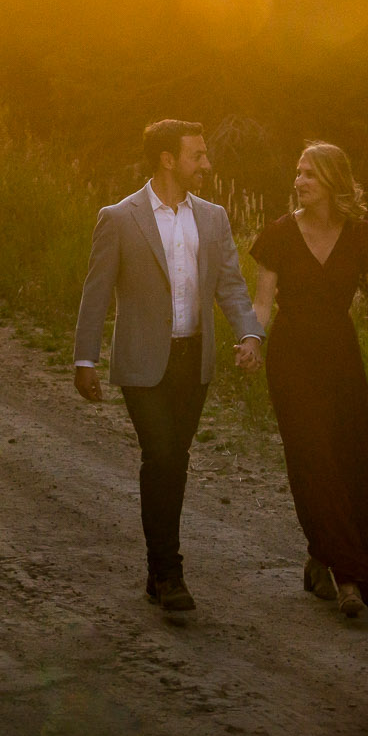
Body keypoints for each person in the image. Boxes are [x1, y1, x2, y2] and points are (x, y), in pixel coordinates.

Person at [74, 120, 264, 613]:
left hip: (193, 361)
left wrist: (249, 332)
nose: (206, 164)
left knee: (174, 461)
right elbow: (95, 295)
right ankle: (167, 569)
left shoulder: (214, 218)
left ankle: (158, 571)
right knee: (160, 455)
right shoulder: (118, 218)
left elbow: (231, 284)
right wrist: (85, 358)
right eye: (197, 155)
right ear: (167, 158)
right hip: (141, 362)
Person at [248, 141, 368, 618]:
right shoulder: (277, 234)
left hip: (340, 360)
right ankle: (350, 574)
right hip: (291, 359)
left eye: (309, 174)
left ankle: (320, 557)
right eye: (297, 172)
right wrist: (251, 340)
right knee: (312, 457)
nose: (299, 180)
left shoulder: (361, 235)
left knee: (347, 458)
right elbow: (261, 303)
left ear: (332, 182)